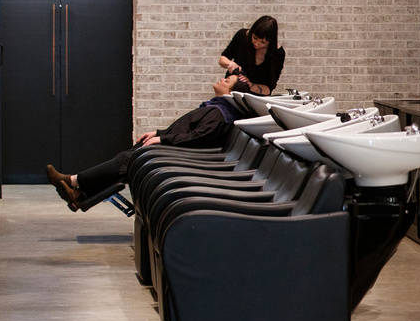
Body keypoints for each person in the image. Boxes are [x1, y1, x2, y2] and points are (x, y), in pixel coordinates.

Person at [46, 74, 251, 211]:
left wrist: (162, 138)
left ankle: (74, 183)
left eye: (227, 81)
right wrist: (158, 132)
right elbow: (187, 131)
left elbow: (196, 138)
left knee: (128, 160)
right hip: (174, 148)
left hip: (181, 155)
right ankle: (80, 194)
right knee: (128, 158)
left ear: (231, 94)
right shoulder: (216, 108)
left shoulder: (219, 114)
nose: (221, 80)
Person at [218, 15, 285, 96]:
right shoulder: (242, 36)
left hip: (255, 99)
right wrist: (230, 64)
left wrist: (250, 85)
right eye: (255, 38)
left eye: (263, 42)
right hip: (231, 93)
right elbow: (222, 58)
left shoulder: (278, 53)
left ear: (270, 41)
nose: (257, 44)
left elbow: (268, 88)